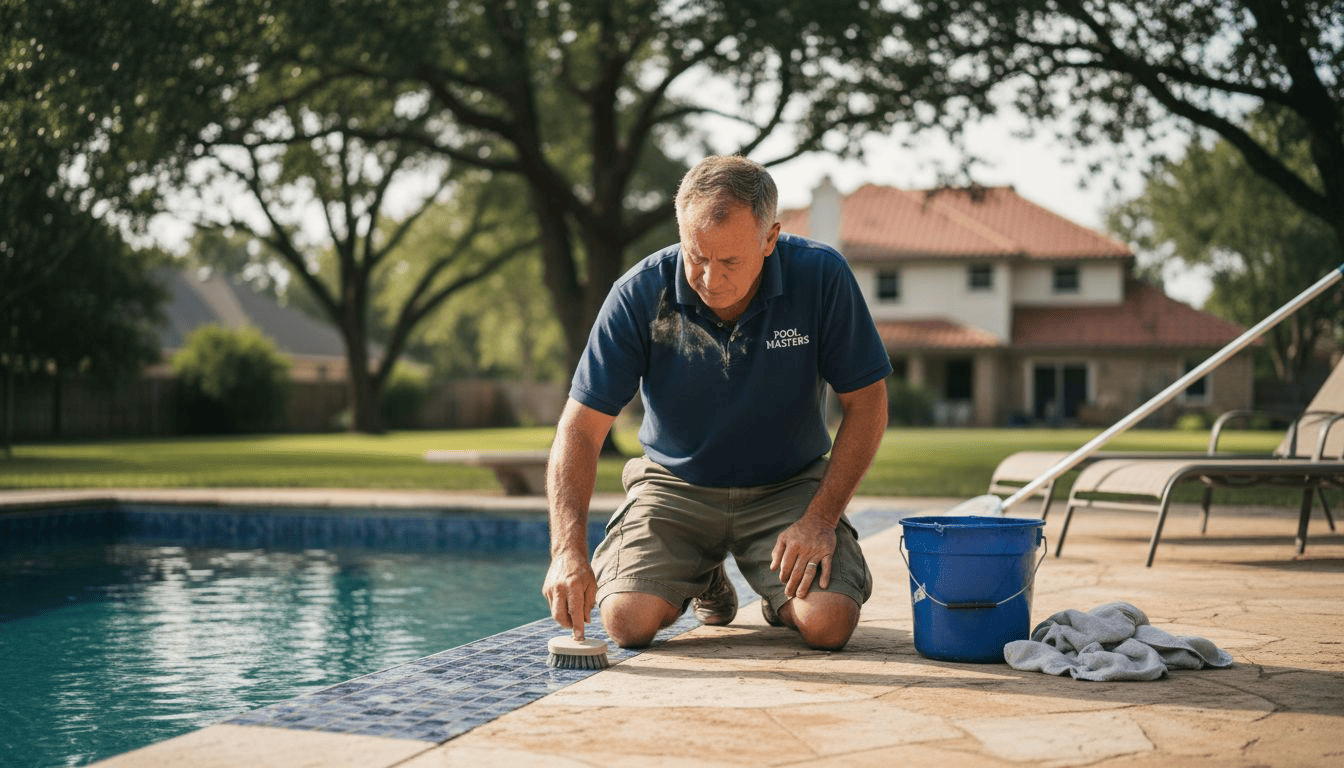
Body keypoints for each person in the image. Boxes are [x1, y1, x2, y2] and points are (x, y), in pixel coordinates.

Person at [542, 155, 891, 651]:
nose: (709, 278)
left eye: (729, 261)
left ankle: (778, 596)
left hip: (789, 486)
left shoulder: (821, 277)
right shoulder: (638, 293)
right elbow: (579, 429)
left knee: (828, 624)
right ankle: (700, 575)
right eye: (696, 255)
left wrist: (820, 519)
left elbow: (868, 404)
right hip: (675, 487)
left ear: (769, 239)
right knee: (625, 622)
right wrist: (566, 550)